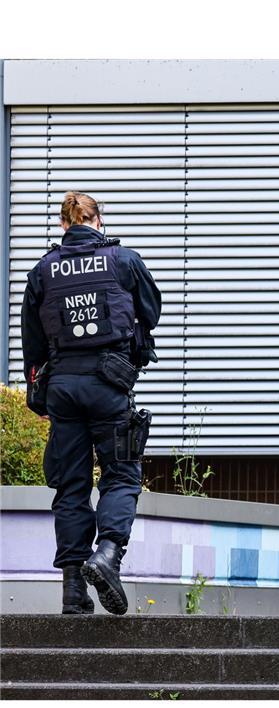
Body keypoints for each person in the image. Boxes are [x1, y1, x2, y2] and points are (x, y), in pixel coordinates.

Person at [20, 191, 162, 615]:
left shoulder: (43, 270)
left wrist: (37, 396)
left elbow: (32, 342)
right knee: (121, 474)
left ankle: (73, 592)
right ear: (98, 221)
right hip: (109, 383)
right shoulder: (123, 259)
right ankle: (107, 555)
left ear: (63, 225)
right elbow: (151, 311)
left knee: (71, 486)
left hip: (62, 387)